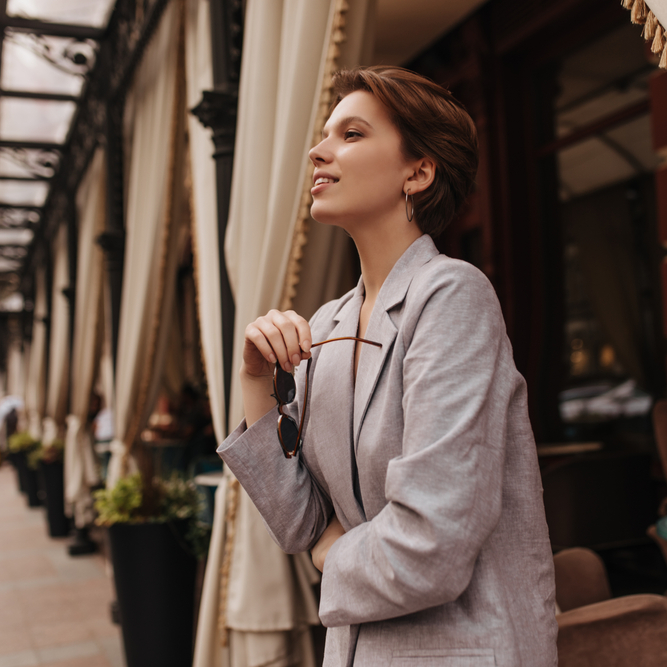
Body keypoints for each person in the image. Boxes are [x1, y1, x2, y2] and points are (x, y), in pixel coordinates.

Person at [218, 67, 557, 666]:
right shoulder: (326, 325)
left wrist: (329, 556)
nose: (319, 152)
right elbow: (298, 521)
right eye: (324, 135)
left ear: (418, 172)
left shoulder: (451, 295)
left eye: (350, 134)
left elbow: (431, 546)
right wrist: (254, 381)